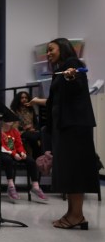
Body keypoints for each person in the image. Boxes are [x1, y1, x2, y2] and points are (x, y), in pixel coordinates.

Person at [46, 38, 99, 229]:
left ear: (63, 48)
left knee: (75, 171)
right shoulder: (60, 69)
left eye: (51, 49)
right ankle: (74, 214)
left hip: (74, 127)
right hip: (66, 127)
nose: (48, 53)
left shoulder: (72, 64)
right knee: (69, 171)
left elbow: (77, 86)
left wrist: (70, 77)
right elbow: (59, 100)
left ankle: (76, 215)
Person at [0, 120, 47, 200]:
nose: (11, 120)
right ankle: (11, 186)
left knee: (30, 160)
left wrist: (22, 153)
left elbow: (18, 145)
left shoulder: (14, 131)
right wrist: (14, 154)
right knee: (8, 160)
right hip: (0, 153)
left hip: (12, 152)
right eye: (8, 118)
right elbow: (2, 147)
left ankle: (35, 186)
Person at [10, 91, 41, 158]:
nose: (24, 99)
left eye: (26, 98)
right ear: (18, 99)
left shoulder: (30, 109)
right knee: (33, 138)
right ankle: (37, 157)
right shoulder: (15, 110)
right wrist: (25, 128)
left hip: (32, 130)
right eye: (22, 98)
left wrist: (34, 128)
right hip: (21, 131)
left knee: (43, 135)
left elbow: (36, 122)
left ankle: (43, 157)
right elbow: (14, 126)